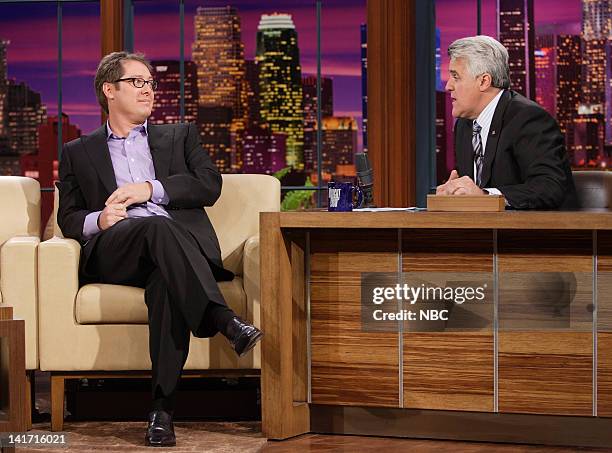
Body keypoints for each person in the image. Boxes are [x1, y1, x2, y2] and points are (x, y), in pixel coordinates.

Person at [57, 51, 263, 447]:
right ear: (109, 90)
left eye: (151, 82)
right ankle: (222, 319)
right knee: (152, 226)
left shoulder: (179, 135)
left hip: (173, 252)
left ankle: (161, 413)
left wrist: (151, 189)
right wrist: (99, 220)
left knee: (166, 284)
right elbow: (68, 216)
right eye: (138, 82)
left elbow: (209, 184)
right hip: (117, 248)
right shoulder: (78, 151)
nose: (149, 89)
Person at [436, 35, 578, 210]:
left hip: (532, 233)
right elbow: (470, 191)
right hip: (482, 232)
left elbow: (550, 187)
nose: (448, 86)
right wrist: (454, 192)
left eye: (456, 77)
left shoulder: (528, 118)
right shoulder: (464, 126)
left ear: (483, 81)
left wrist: (485, 197)